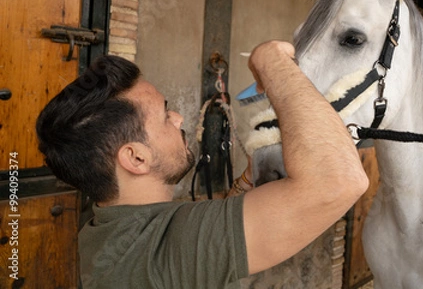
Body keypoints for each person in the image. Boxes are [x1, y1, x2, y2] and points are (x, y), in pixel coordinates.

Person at [36, 40, 369, 288]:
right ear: (136, 157)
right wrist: (271, 61)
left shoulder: (104, 228)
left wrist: (246, 181)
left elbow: (202, 223)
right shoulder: (167, 249)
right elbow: (341, 181)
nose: (179, 117)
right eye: (166, 116)